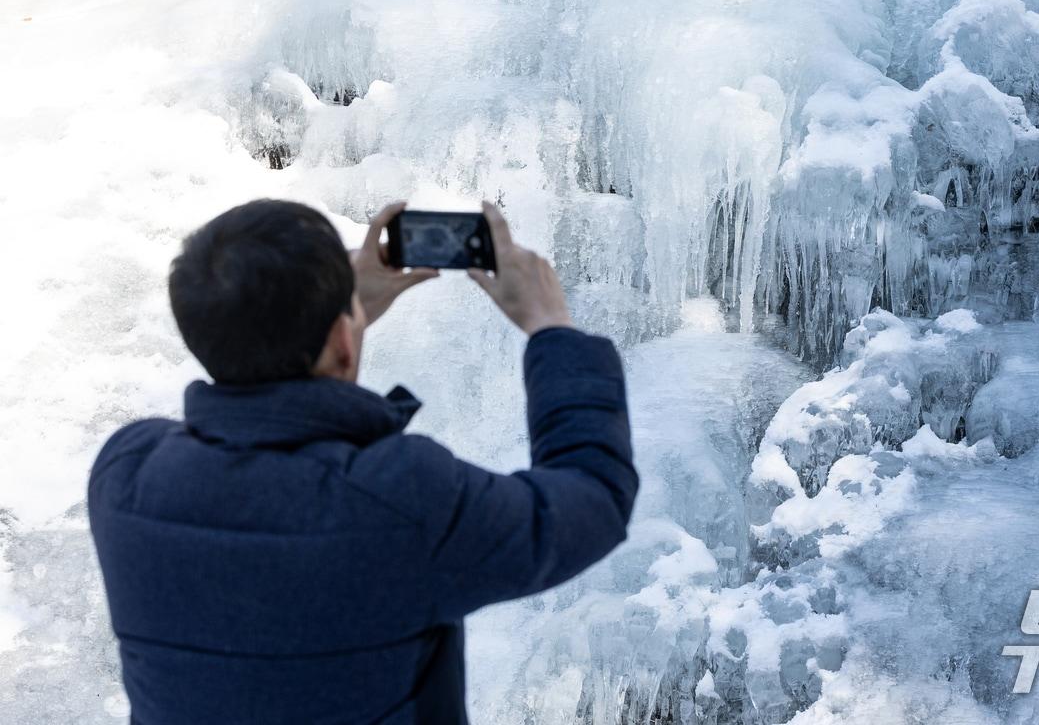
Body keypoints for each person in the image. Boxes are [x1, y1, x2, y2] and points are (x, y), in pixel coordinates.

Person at [87, 199, 638, 724]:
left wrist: (326, 323)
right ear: (344, 344)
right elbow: (593, 495)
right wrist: (553, 330)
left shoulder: (125, 478)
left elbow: (246, 415)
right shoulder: (402, 502)